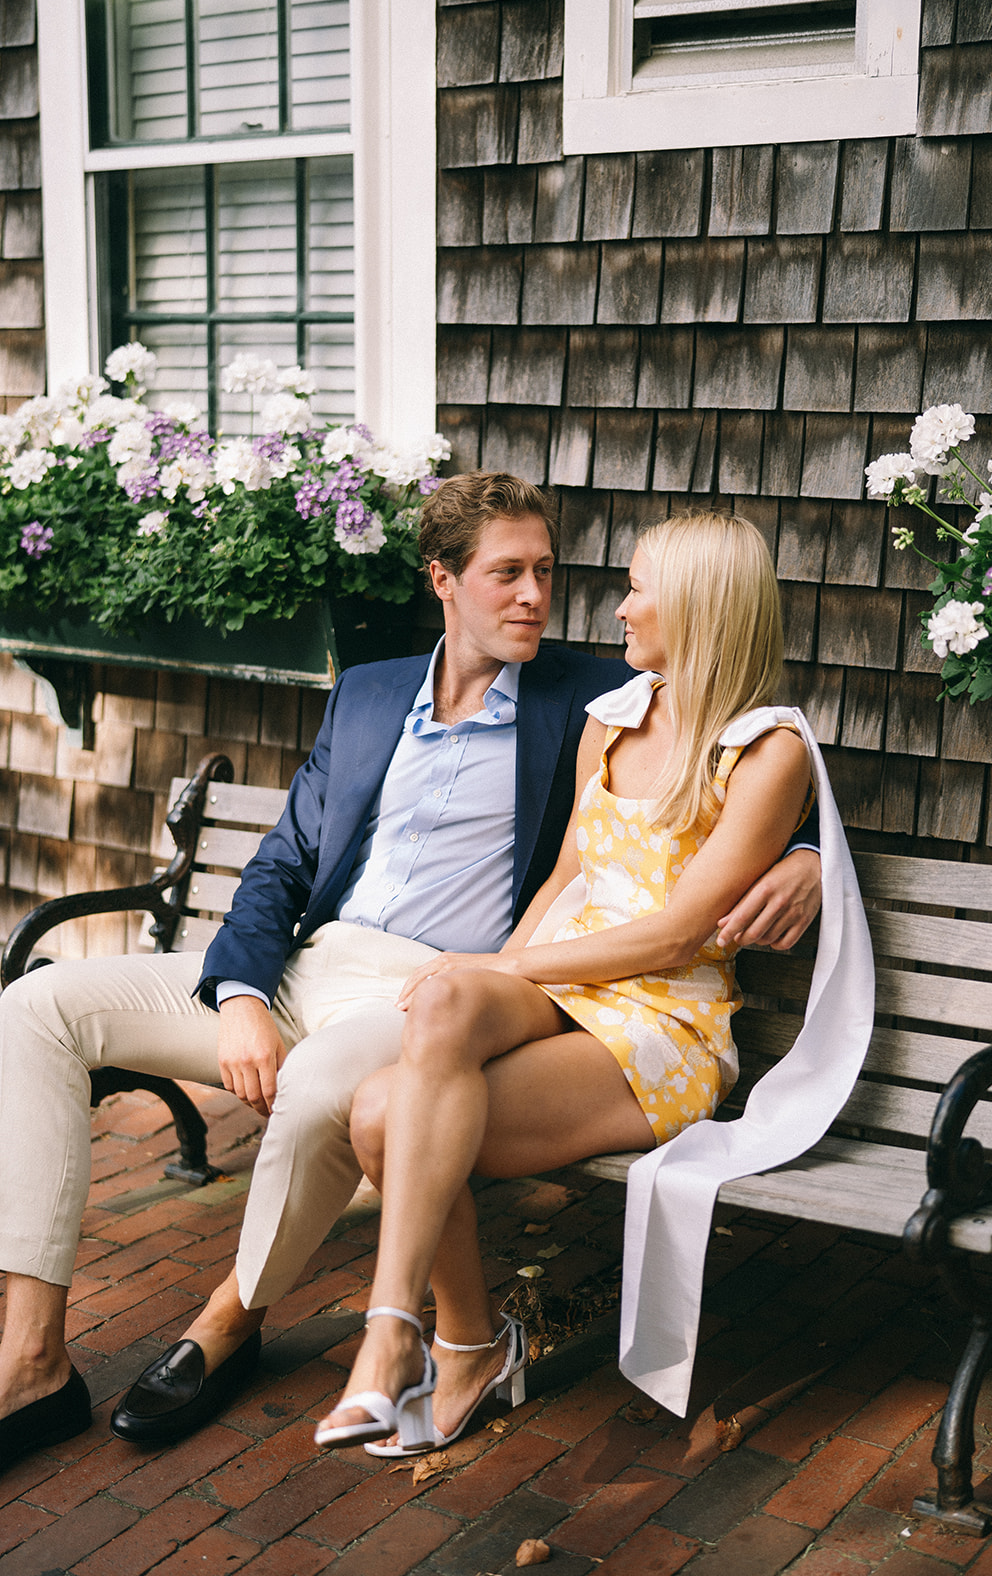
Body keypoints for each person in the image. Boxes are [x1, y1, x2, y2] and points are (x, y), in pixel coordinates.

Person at [0, 479, 821, 1475]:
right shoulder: (370, 690)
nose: (537, 596)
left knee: (327, 1094)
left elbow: (721, 729)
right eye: (506, 573)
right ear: (441, 579)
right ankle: (32, 1355)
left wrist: (810, 858)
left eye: (545, 572)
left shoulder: (580, 694)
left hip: (438, 986)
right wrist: (246, 993)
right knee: (36, 1005)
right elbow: (281, 865)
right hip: (325, 964)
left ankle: (230, 1318)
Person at [310, 512, 826, 1455]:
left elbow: (675, 936)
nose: (617, 607)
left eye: (637, 589)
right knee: (444, 1001)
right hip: (568, 982)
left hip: (662, 1025)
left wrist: (499, 965)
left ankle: (457, 1346)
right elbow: (565, 881)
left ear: (699, 606)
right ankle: (399, 1329)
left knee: (386, 1115)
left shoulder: (765, 748)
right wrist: (488, 974)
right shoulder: (614, 715)